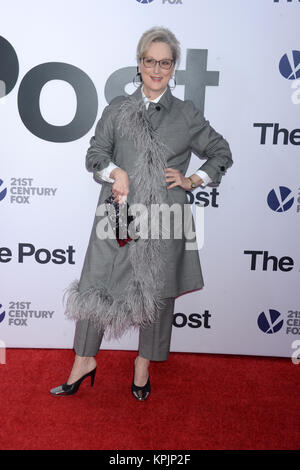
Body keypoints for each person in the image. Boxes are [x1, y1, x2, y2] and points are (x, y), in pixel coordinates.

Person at [50, 26, 233, 400]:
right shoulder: (117, 110)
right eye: (150, 61)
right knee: (95, 286)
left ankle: (142, 364)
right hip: (116, 213)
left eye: (165, 63)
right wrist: (115, 172)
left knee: (158, 292)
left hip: (166, 218)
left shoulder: (185, 114)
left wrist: (193, 179)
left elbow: (221, 153)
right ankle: (84, 360)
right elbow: (95, 155)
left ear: (173, 68)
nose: (156, 69)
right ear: (139, 64)